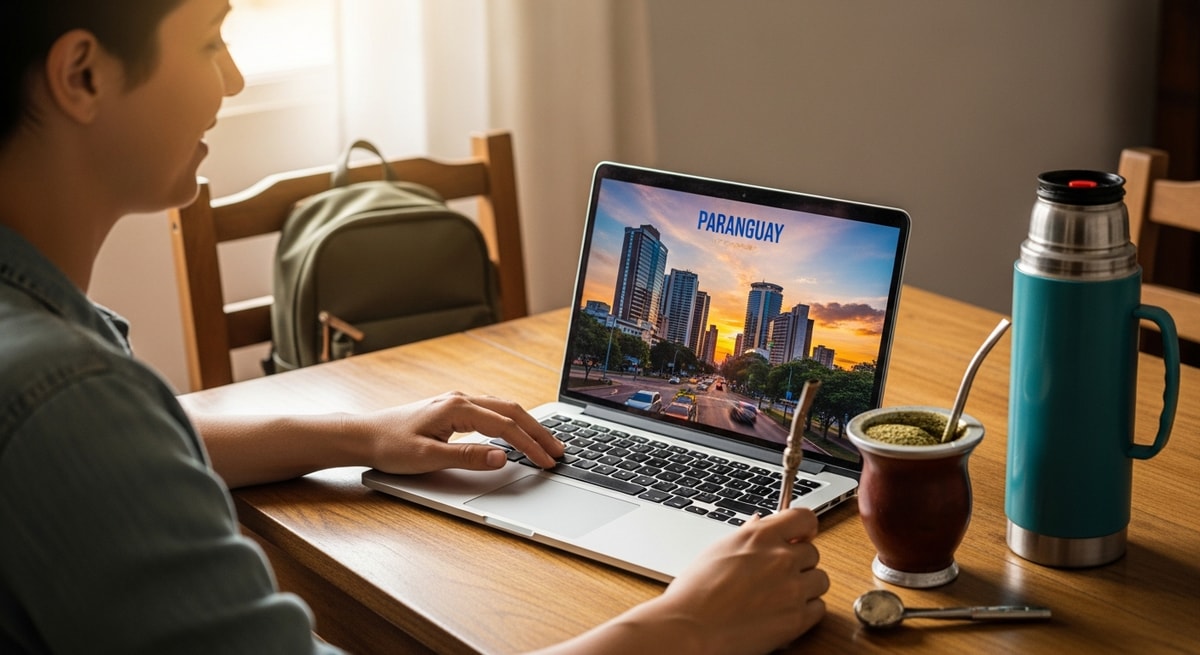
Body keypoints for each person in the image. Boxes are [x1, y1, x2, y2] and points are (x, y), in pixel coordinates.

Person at [0, 1, 830, 653]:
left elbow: (138, 438)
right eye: (213, 39)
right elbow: (91, 429)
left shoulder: (50, 371)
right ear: (82, 74)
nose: (237, 79)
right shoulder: (65, 395)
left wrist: (366, 431)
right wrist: (688, 627)